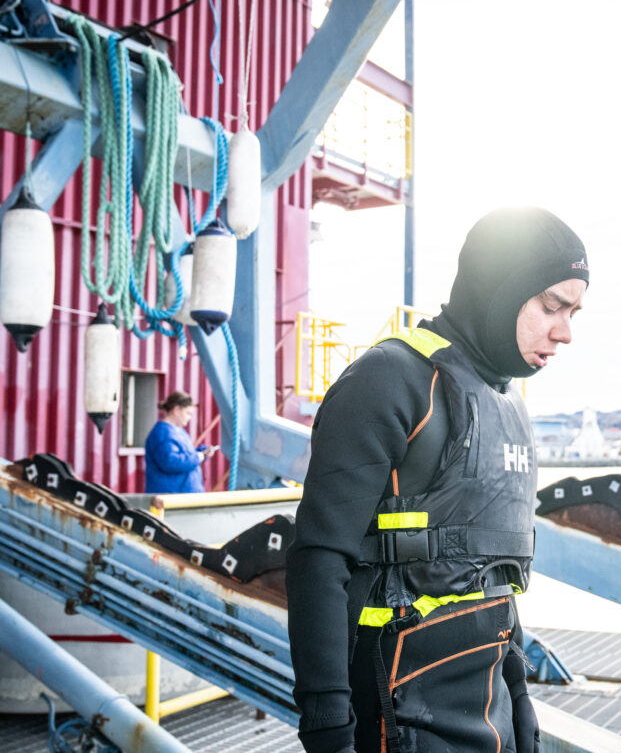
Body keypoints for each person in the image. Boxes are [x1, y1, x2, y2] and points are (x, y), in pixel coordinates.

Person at [287, 207, 589, 753]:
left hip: (486, 711)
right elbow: (318, 556)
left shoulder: (508, 404)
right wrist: (327, 723)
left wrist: (519, 699)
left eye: (574, 313)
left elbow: (497, 576)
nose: (564, 332)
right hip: (391, 712)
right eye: (552, 305)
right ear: (499, 288)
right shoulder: (390, 380)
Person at [144, 391, 217, 493]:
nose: (189, 418)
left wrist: (202, 452)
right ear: (176, 410)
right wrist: (197, 457)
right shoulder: (162, 433)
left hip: (184, 496)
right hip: (171, 497)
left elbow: (184, 454)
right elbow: (170, 462)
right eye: (188, 413)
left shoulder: (178, 431)